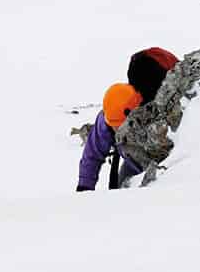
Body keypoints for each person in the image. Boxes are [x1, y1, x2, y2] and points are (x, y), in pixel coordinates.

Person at [76, 46, 179, 192]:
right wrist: (84, 187)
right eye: (113, 126)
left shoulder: (153, 114)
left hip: (165, 164)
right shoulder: (107, 117)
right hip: (133, 163)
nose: (116, 130)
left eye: (119, 125)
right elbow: (92, 154)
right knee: (121, 194)